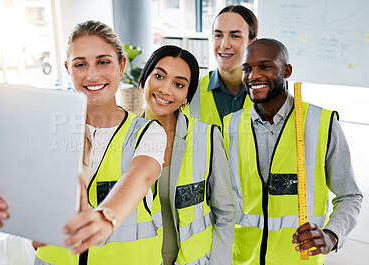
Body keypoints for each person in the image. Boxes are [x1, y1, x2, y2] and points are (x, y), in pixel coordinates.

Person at [0, 20, 167, 265]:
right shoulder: (44, 128)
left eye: (103, 61)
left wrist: (106, 218)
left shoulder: (148, 132)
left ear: (121, 65)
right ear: (68, 68)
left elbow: (140, 177)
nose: (92, 74)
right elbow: (18, 184)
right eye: (80, 64)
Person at [222, 38, 363, 264]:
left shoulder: (322, 123)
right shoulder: (229, 127)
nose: (253, 76)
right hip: (242, 260)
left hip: (299, 260)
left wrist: (331, 235)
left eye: (265, 67)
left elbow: (349, 196)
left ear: (286, 71)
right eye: (247, 69)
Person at [138, 45, 235, 265]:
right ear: (144, 79)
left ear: (186, 97)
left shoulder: (207, 137)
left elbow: (225, 212)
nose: (165, 89)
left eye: (179, 84)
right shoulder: (122, 138)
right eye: (159, 76)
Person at [184, 5, 258, 129]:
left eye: (235, 36)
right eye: (218, 35)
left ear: (253, 43)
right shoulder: (191, 92)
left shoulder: (267, 95)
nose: (224, 45)